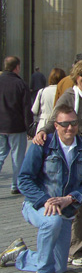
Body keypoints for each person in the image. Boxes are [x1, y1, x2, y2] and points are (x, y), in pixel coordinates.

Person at [0, 105, 82, 273]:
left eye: (74, 123)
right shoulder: (42, 145)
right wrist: (46, 200)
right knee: (52, 221)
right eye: (65, 124)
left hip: (66, 210)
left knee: (60, 266)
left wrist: (69, 199)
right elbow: (24, 179)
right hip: (36, 205)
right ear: (56, 125)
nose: (70, 128)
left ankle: (21, 254)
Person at [37, 59, 82, 267]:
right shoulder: (69, 96)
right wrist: (43, 131)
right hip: (75, 155)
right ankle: (75, 250)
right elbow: (56, 120)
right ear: (76, 76)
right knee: (79, 202)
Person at [0, 56, 33, 195]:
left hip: (0, 126)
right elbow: (26, 108)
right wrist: (29, 127)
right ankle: (16, 185)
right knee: (17, 157)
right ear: (17, 67)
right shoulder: (20, 84)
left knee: (1, 155)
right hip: (16, 126)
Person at [31, 68, 67, 135]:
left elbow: (35, 110)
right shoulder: (65, 92)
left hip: (44, 123)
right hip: (60, 124)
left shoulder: (42, 91)